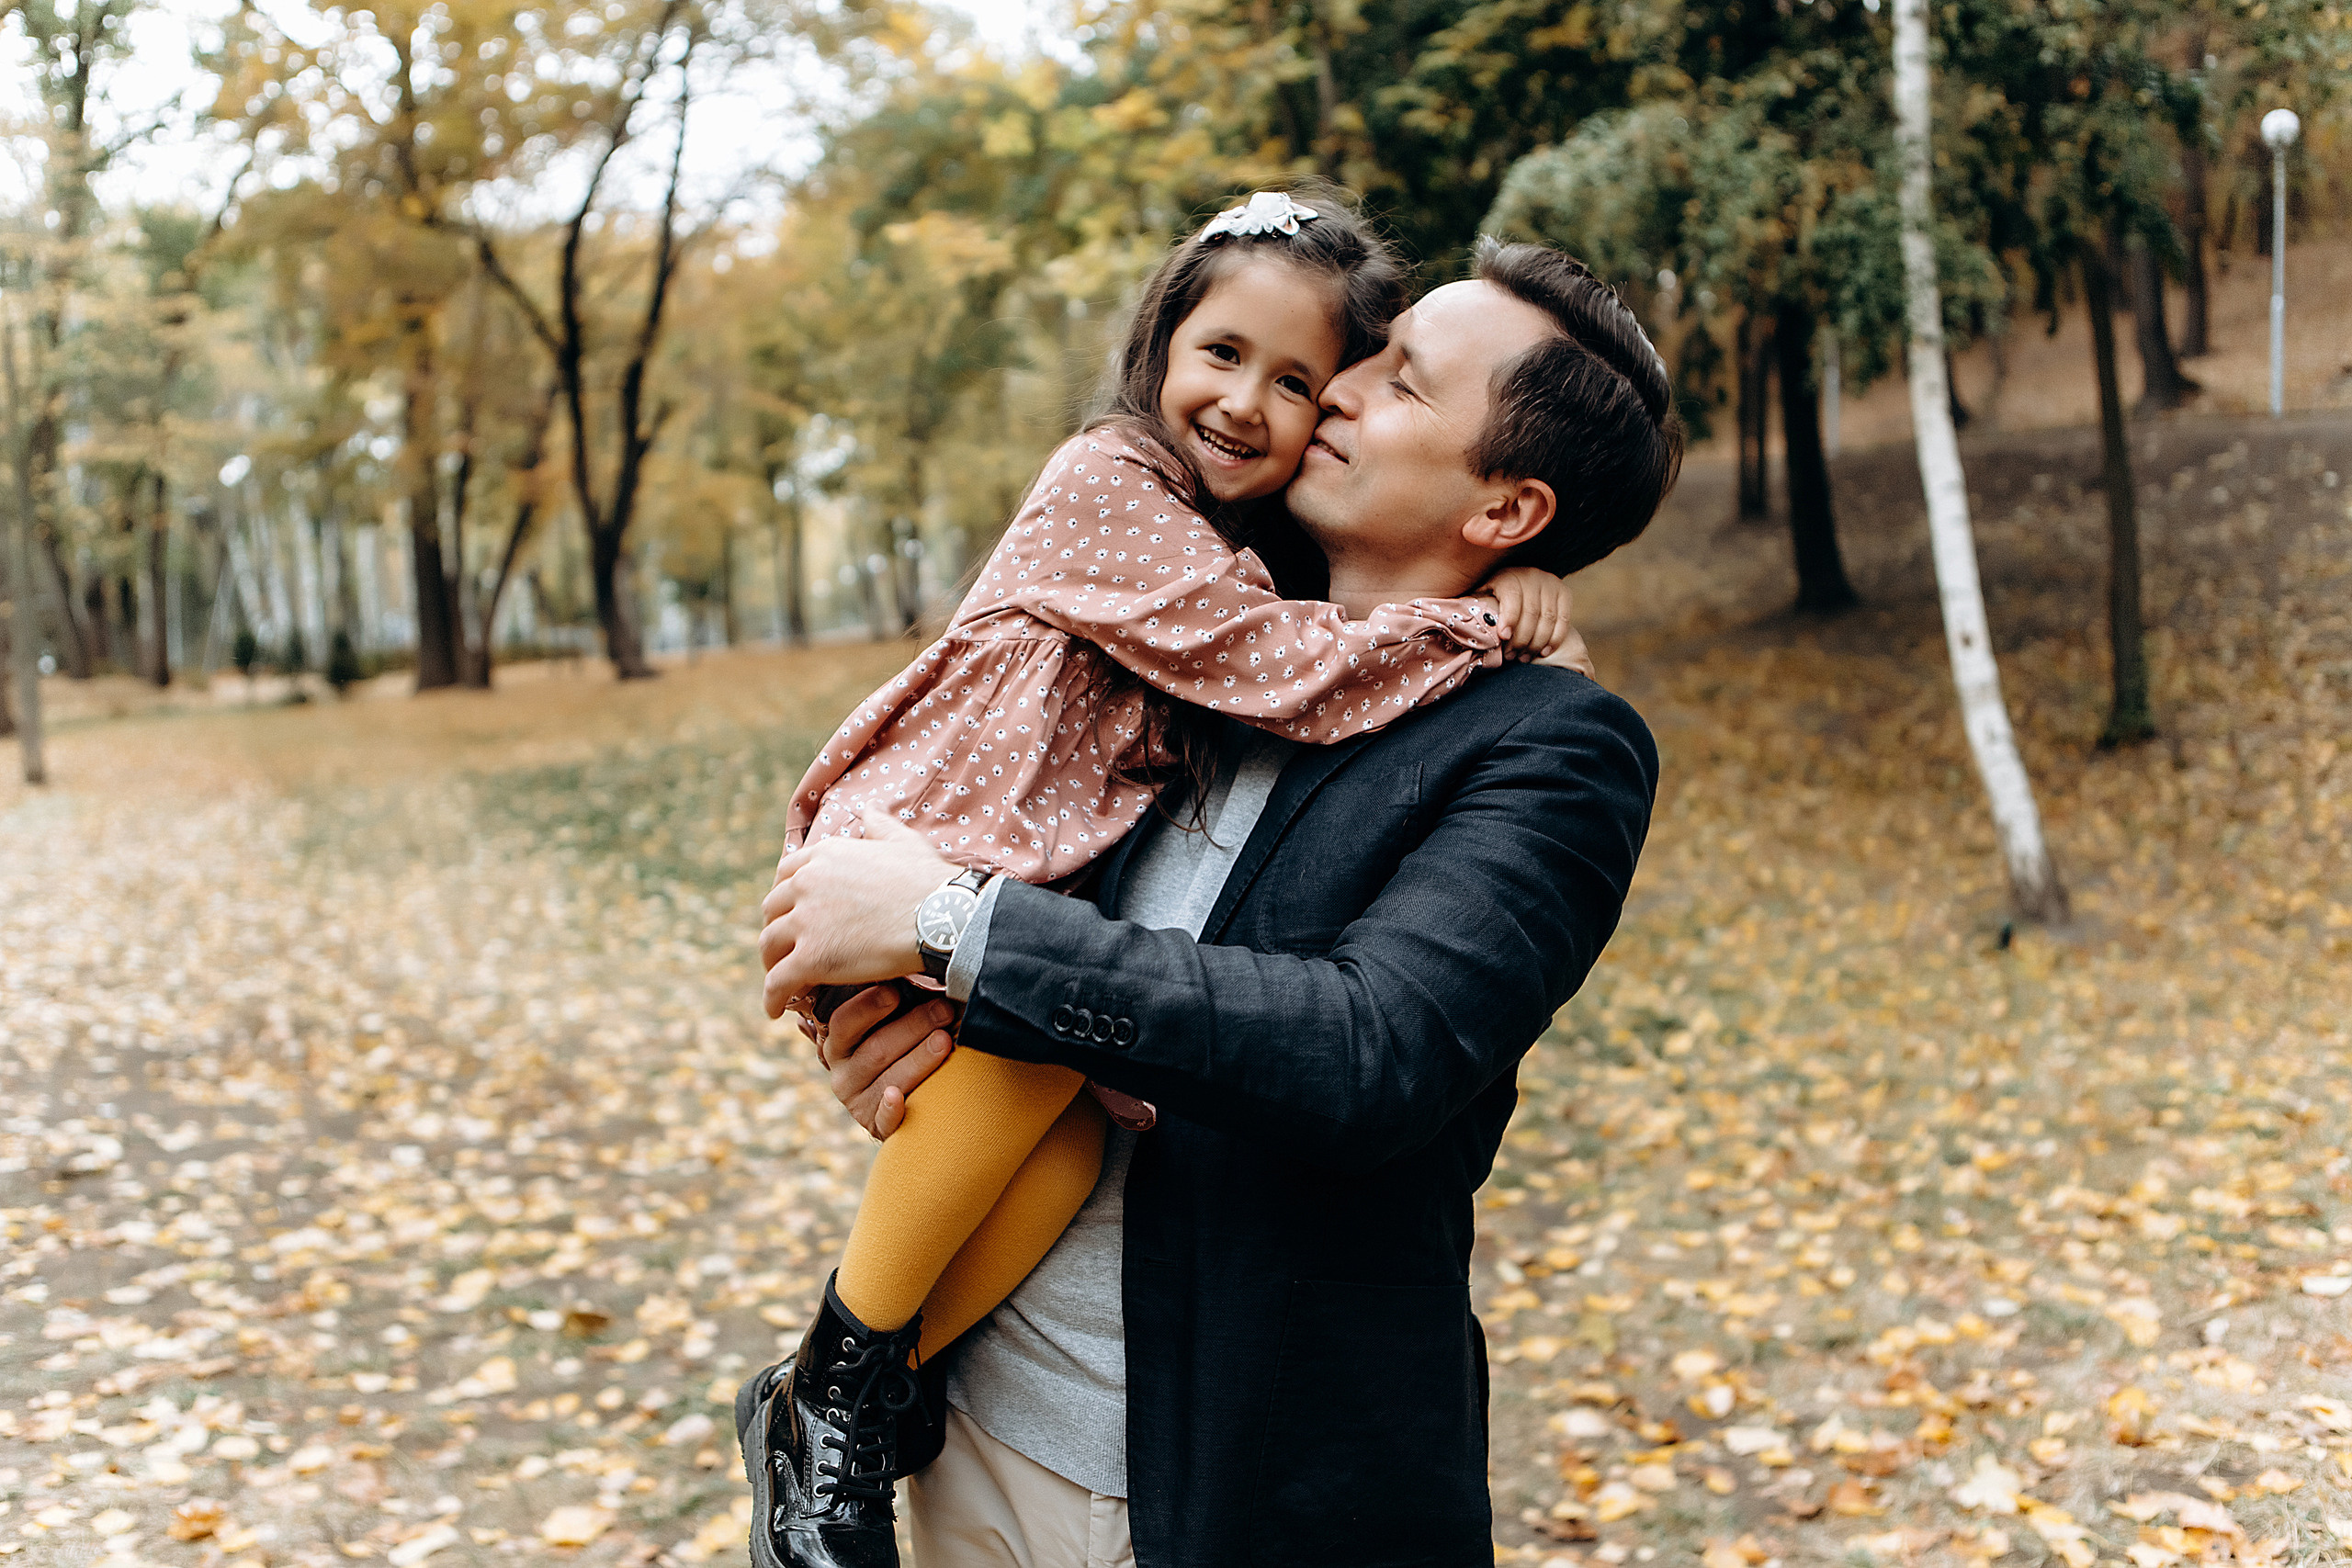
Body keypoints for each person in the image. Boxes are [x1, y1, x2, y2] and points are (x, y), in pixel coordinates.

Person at [756, 236, 1679, 1568]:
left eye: (1402, 382)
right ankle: (843, 1390)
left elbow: (1370, 1050)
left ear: (1508, 511)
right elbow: (1021, 865)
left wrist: (957, 926)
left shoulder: (1546, 744)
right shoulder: (1192, 618)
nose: (1339, 388)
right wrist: (907, 1037)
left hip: (1253, 1491)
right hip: (984, 1441)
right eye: (1365, 356)